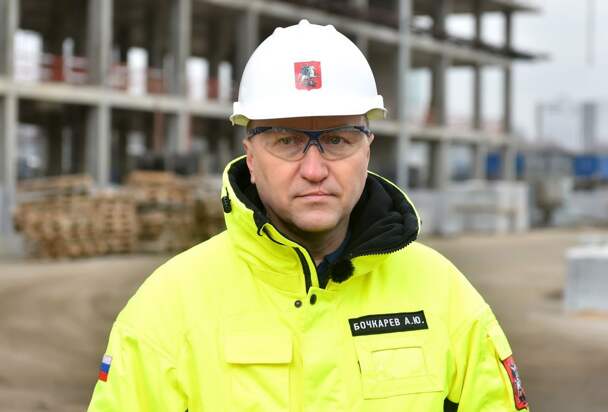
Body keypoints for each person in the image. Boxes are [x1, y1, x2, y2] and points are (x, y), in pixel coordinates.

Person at [88, 19, 529, 411]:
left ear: (367, 149)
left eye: (338, 140)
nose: (314, 170)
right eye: (286, 140)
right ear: (251, 157)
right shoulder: (168, 307)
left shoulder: (445, 296)